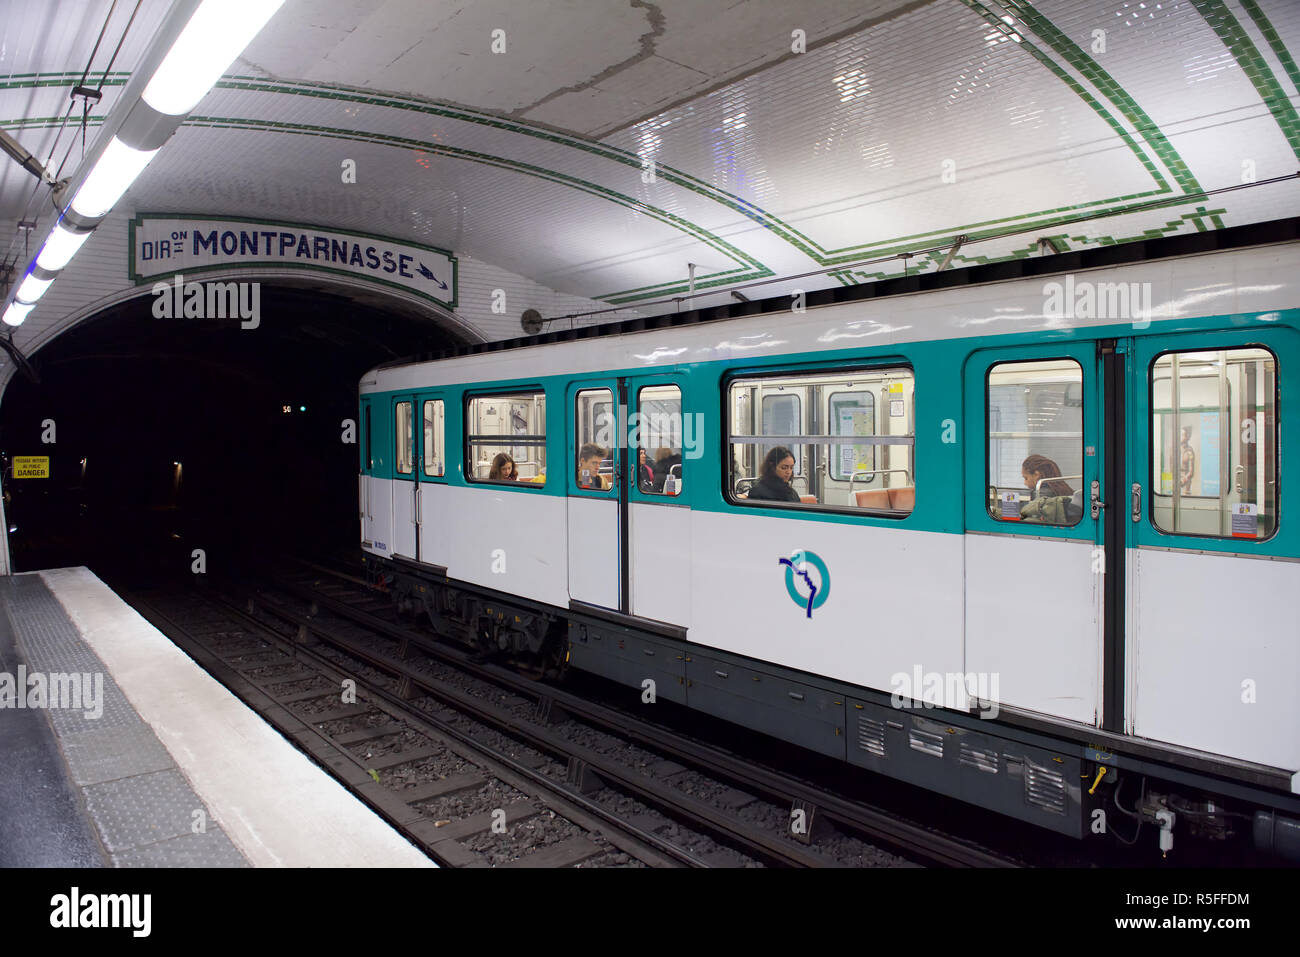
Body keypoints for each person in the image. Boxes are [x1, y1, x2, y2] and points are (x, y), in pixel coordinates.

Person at [1019, 453, 1079, 524]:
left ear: (1036, 475)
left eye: (1026, 478)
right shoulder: (1064, 488)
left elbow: (1030, 518)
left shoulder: (1042, 496)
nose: (1025, 483)